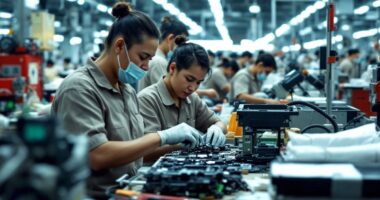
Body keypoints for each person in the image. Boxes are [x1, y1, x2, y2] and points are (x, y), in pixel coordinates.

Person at [51, 2, 202, 198]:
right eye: (143, 57)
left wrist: (177, 144)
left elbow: (133, 150)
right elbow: (96, 155)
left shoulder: (127, 91)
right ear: (120, 46)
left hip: (127, 190)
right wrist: (162, 136)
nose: (147, 67)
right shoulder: (80, 88)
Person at [138, 36, 227, 159]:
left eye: (198, 82)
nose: (193, 88)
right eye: (189, 79)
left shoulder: (192, 99)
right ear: (173, 68)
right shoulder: (147, 99)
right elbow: (144, 151)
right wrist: (181, 146)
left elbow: (218, 122)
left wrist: (217, 129)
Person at [138, 16, 189, 91]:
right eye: (181, 42)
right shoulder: (159, 62)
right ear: (170, 38)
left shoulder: (158, 58)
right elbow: (167, 93)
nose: (183, 46)